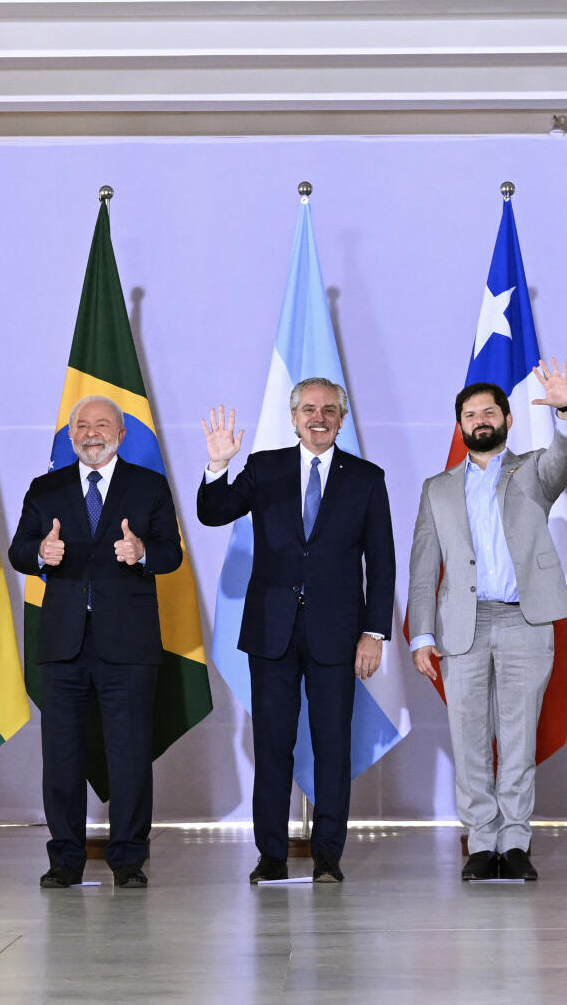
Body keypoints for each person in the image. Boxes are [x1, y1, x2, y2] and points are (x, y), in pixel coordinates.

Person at [197, 379, 394, 885]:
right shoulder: (265, 468)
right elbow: (212, 512)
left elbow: (382, 560)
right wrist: (218, 466)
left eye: (329, 409)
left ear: (342, 418)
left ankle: (328, 855)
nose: (319, 417)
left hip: (338, 634)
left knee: (333, 746)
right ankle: (272, 855)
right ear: (293, 417)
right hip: (271, 632)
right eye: (309, 409)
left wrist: (374, 632)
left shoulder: (367, 478)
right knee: (273, 746)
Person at [405, 358, 567, 883]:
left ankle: (516, 840)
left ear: (506, 419)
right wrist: (420, 634)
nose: (479, 420)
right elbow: (422, 567)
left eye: (489, 411)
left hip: (525, 621)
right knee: (469, 735)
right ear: (459, 426)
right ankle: (481, 842)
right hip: (461, 625)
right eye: (469, 414)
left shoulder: (531, 471)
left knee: (518, 734)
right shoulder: (436, 488)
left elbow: (564, 457)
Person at [7, 395, 184, 889]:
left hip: (128, 647)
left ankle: (128, 859)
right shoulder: (46, 488)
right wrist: (41, 552)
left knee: (129, 755)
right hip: (63, 645)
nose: (91, 432)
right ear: (70, 435)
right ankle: (65, 858)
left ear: (121, 435)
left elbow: (171, 554)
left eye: (102, 424)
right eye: (81, 425)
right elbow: (18, 550)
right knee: (61, 757)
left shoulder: (148, 487)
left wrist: (142, 550)